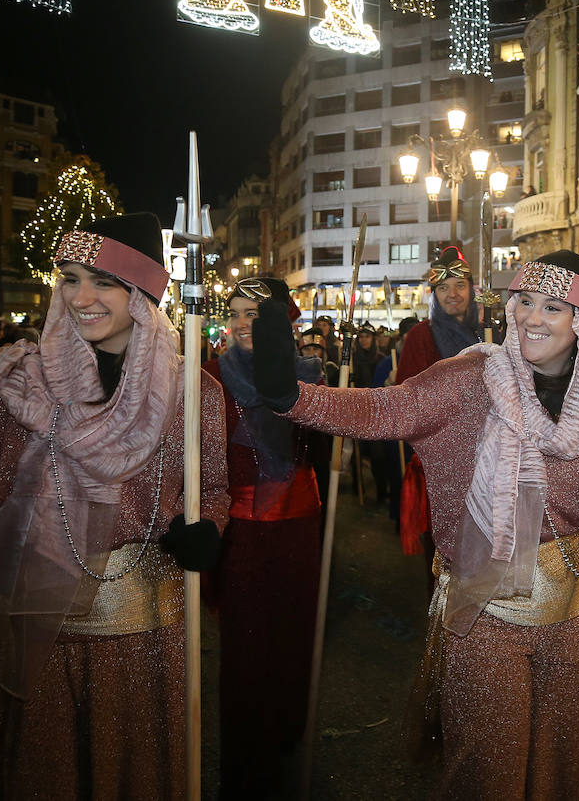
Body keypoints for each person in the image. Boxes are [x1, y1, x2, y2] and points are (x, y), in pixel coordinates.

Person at [249, 251, 579, 799]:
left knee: (568, 772)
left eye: (552, 307)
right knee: (488, 775)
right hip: (487, 614)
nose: (532, 318)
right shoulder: (470, 377)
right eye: (524, 301)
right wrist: (290, 395)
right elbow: (386, 409)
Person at [0, 213, 229, 800]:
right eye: (69, 278)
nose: (80, 298)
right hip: (34, 633)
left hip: (142, 634)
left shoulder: (193, 391)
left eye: (102, 281)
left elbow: (211, 489)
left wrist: (208, 527)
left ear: (142, 291)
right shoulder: (20, 384)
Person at [204, 278, 324, 799]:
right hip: (241, 530)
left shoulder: (311, 377)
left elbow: (318, 450)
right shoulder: (210, 377)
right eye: (235, 312)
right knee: (246, 648)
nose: (241, 323)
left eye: (253, 313)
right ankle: (246, 767)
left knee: (294, 635)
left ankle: (286, 738)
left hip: (299, 526)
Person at [397, 246, 483, 559]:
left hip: (489, 457)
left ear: (471, 289)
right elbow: (409, 401)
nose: (453, 294)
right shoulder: (421, 336)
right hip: (441, 462)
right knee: (445, 555)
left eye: (460, 285)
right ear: (434, 294)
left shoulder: (488, 332)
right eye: (443, 288)